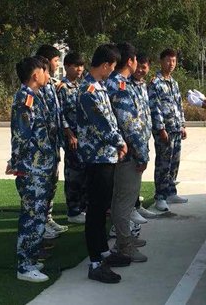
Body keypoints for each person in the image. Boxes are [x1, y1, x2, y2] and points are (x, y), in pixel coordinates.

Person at [77, 44, 128, 284]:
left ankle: (104, 252)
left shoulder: (99, 86)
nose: (113, 72)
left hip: (105, 155)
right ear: (105, 65)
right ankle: (95, 263)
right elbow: (102, 124)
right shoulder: (88, 90)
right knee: (96, 211)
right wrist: (120, 142)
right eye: (112, 67)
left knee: (102, 207)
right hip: (96, 157)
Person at [9, 56, 55, 283]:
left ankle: (31, 258)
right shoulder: (25, 99)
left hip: (41, 166)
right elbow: (21, 135)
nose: (48, 75)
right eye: (44, 71)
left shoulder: (36, 96)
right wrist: (15, 161)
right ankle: (25, 266)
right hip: (32, 169)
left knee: (38, 217)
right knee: (31, 217)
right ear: (35, 75)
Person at [106, 43, 150, 264]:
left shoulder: (117, 82)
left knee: (121, 200)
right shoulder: (120, 85)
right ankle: (124, 246)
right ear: (130, 61)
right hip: (128, 154)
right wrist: (142, 154)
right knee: (124, 202)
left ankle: (124, 240)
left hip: (124, 152)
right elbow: (129, 125)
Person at [36, 45, 77, 239]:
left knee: (52, 182)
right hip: (42, 146)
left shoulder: (53, 84)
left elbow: (58, 112)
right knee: (42, 185)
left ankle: (48, 218)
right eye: (55, 61)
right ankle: (40, 224)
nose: (57, 64)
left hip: (53, 143)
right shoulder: (36, 87)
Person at [148, 49, 187, 212]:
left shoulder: (173, 82)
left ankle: (171, 192)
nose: (171, 64)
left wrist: (182, 125)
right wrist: (160, 128)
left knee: (174, 163)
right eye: (168, 61)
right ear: (161, 61)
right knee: (163, 164)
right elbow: (154, 107)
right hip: (164, 131)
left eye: (174, 61)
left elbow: (179, 105)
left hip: (176, 129)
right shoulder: (155, 83)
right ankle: (160, 196)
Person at [57, 51, 87, 224]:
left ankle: (82, 207)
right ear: (67, 67)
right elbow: (59, 114)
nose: (79, 69)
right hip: (72, 138)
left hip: (83, 137)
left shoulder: (80, 86)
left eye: (81, 66)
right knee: (73, 175)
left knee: (83, 173)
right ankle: (73, 210)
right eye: (76, 66)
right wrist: (69, 134)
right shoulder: (62, 88)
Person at [131, 54, 157, 220]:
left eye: (144, 67)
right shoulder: (127, 85)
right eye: (138, 66)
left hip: (143, 138)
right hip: (133, 139)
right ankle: (131, 208)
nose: (140, 70)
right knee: (131, 175)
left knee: (138, 174)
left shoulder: (143, 85)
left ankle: (136, 205)